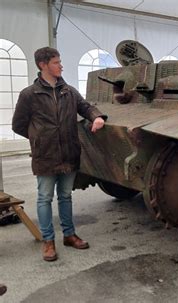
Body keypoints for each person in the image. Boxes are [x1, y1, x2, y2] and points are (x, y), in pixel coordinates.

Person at [12, 47, 107, 262]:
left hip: (69, 152)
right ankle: (48, 241)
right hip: (45, 155)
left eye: (59, 62)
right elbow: (18, 125)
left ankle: (69, 235)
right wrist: (39, 138)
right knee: (44, 198)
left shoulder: (69, 91)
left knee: (65, 196)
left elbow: (85, 107)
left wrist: (97, 117)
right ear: (43, 65)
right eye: (56, 62)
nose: (61, 66)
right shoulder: (29, 94)